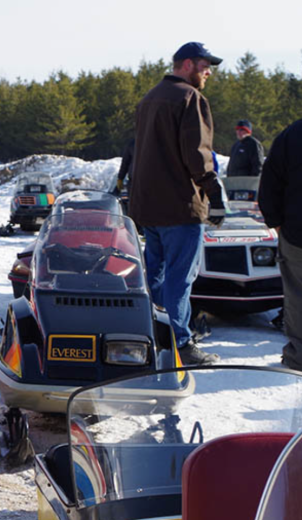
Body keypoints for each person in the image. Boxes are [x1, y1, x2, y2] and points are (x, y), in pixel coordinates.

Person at [129, 41, 225, 366]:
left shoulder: (149, 98)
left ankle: (155, 337)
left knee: (154, 277)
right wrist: (214, 192)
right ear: (186, 65)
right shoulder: (190, 98)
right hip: (180, 206)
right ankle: (180, 343)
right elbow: (197, 153)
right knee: (179, 279)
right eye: (204, 66)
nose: (208, 73)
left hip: (148, 207)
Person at [258, 117, 302, 370]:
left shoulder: (291, 134)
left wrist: (275, 221)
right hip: (295, 230)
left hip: (296, 231)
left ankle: (300, 356)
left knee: (297, 295)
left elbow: (270, 182)